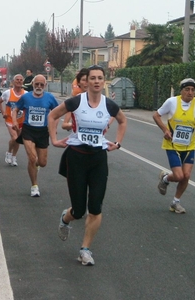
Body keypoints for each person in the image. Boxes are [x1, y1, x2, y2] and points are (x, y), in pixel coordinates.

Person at [48, 65, 127, 266]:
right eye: (93, 78)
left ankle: (85, 249)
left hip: (98, 159)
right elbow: (53, 116)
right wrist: (55, 139)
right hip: (76, 158)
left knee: (95, 207)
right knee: (79, 210)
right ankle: (66, 219)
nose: (97, 81)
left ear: (104, 81)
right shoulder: (76, 101)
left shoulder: (109, 105)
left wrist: (117, 143)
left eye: (100, 78)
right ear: (87, 81)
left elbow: (122, 121)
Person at [153, 78, 195, 214]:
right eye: (187, 89)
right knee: (178, 176)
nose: (190, 93)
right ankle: (165, 178)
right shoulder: (172, 102)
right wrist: (165, 130)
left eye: (193, 90)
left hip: (189, 146)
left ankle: (175, 202)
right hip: (172, 145)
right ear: (181, 91)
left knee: (186, 175)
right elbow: (156, 115)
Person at [12, 75, 58, 197]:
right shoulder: (26, 97)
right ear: (33, 84)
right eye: (36, 84)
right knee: (32, 158)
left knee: (42, 162)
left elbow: (57, 113)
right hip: (28, 130)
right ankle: (34, 186)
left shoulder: (50, 98)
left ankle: (36, 165)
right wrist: (15, 121)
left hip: (42, 132)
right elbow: (15, 109)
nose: (39, 87)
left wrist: (53, 128)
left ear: (45, 86)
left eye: (41, 85)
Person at [0, 74, 27, 166]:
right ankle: (9, 153)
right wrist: (3, 113)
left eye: (21, 80)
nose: (19, 81)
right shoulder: (8, 93)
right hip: (10, 120)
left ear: (23, 82)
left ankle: (13, 157)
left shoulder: (26, 94)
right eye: (17, 79)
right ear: (13, 82)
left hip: (21, 121)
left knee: (17, 140)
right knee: (15, 138)